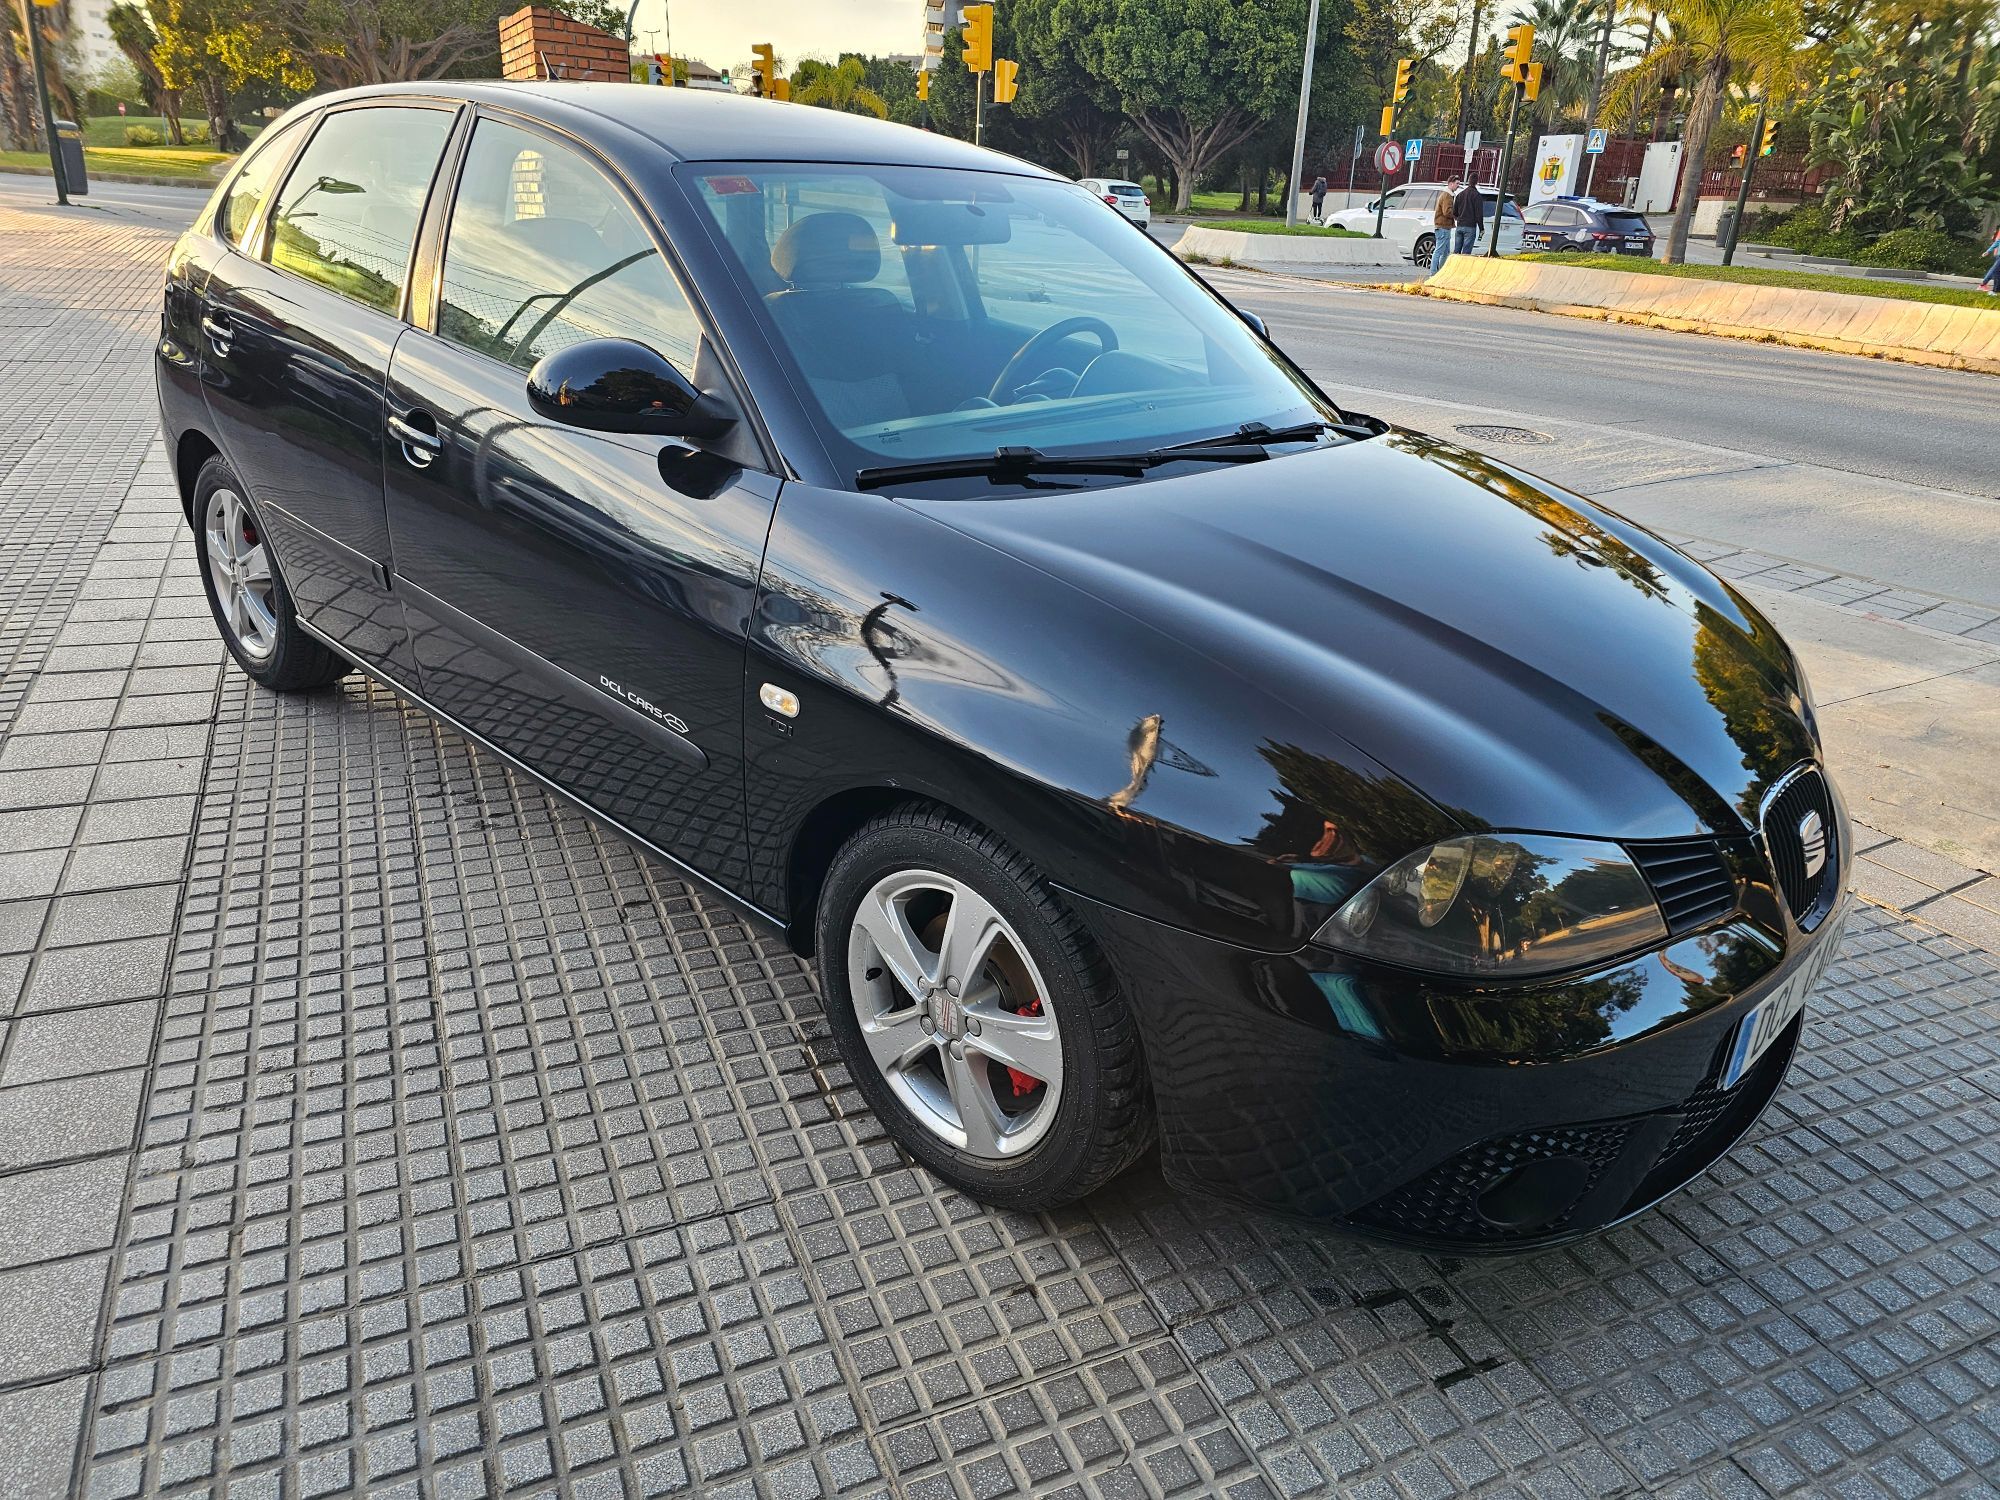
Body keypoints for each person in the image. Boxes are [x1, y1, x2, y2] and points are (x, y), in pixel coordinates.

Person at [1430, 178, 1462, 273]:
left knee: (1445, 252)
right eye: (1457, 183)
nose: (1458, 186)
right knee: (1439, 251)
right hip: (1443, 227)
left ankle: (1440, 272)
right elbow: (1447, 212)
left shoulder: (1448, 195)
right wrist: (1456, 216)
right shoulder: (1447, 196)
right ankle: (1433, 273)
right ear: (1451, 184)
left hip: (1445, 227)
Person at [1454, 181, 1486, 258]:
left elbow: (1454, 212)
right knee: (1466, 254)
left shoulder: (1460, 195)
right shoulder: (1477, 195)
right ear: (1476, 182)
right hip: (1470, 226)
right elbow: (1479, 214)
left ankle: (1454, 268)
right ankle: (1463, 268)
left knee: (1456, 252)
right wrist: (1481, 228)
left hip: (1460, 226)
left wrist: (1459, 219)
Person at [1981, 226, 1999, 294]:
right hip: (1998, 254)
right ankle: (1993, 289)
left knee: (1995, 271)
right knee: (1996, 271)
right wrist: (1988, 251)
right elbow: (1997, 241)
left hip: (1997, 254)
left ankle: (1985, 285)